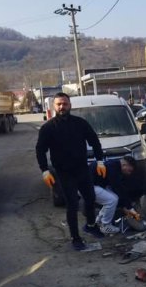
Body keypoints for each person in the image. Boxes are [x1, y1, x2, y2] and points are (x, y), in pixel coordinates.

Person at [35, 92, 106, 251]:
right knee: (72, 204)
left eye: (65, 104)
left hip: (82, 168)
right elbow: (40, 150)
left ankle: (91, 225)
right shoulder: (48, 128)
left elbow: (94, 141)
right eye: (59, 104)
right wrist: (44, 170)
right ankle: (76, 238)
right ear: (54, 106)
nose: (62, 107)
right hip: (63, 172)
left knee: (90, 198)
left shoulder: (80, 123)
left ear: (70, 105)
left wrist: (100, 160)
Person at [89, 155, 141, 234]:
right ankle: (105, 225)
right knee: (111, 200)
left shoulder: (114, 165)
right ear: (125, 165)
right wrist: (129, 207)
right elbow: (119, 189)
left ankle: (99, 220)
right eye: (129, 171)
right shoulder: (113, 168)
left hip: (95, 184)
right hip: (86, 186)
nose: (129, 173)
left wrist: (126, 206)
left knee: (113, 198)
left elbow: (117, 191)